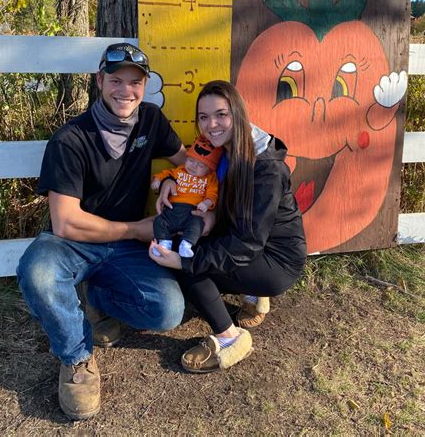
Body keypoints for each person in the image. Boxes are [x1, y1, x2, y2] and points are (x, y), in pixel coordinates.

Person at [16, 42, 204, 421]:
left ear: (145, 85)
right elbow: (65, 222)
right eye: (116, 80)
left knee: (167, 311)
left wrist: (173, 179)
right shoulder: (70, 140)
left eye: (135, 82)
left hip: (123, 249)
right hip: (74, 243)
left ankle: (95, 295)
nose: (125, 90)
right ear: (100, 80)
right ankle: (76, 358)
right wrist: (135, 229)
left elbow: (190, 163)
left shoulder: (151, 120)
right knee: (36, 272)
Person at [149, 80, 307, 373]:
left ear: (238, 113)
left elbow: (247, 242)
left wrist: (184, 261)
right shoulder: (226, 147)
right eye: (204, 117)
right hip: (250, 242)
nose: (212, 124)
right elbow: (195, 174)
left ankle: (229, 339)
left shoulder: (266, 168)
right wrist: (170, 182)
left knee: (188, 267)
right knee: (189, 245)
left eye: (221, 114)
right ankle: (252, 295)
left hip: (276, 260)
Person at [151, 136, 222, 258]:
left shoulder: (210, 178)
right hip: (172, 209)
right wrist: (157, 180)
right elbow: (165, 174)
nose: (193, 166)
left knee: (197, 224)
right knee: (159, 221)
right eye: (191, 160)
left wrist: (206, 203)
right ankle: (164, 243)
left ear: (210, 169)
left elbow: (213, 194)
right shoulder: (180, 170)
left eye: (201, 165)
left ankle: (186, 244)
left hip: (193, 212)